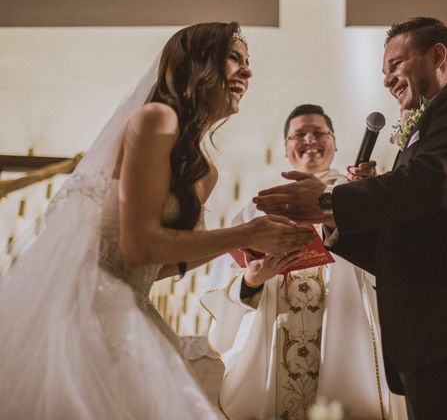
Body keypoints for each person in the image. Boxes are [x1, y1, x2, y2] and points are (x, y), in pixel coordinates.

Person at [0, 22, 314, 419]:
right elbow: (139, 246)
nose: (247, 72)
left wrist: (251, 253)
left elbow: (155, 266)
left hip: (133, 304)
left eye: (248, 62)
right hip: (87, 311)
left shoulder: (204, 172)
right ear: (196, 64)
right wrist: (246, 232)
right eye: (234, 58)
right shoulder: (155, 119)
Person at [253, 17, 447, 419]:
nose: (388, 79)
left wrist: (328, 200)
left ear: (438, 54)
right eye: (384, 72)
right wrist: (339, 219)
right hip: (431, 340)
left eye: (396, 64)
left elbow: (437, 183)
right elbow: (405, 240)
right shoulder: (423, 135)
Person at [201, 104, 402, 419]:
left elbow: (387, 264)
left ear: (334, 143)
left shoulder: (357, 197)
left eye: (319, 133)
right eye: (299, 135)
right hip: (273, 350)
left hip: (346, 342)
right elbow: (230, 283)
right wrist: (252, 280)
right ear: (285, 149)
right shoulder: (258, 209)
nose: (310, 139)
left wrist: (362, 202)